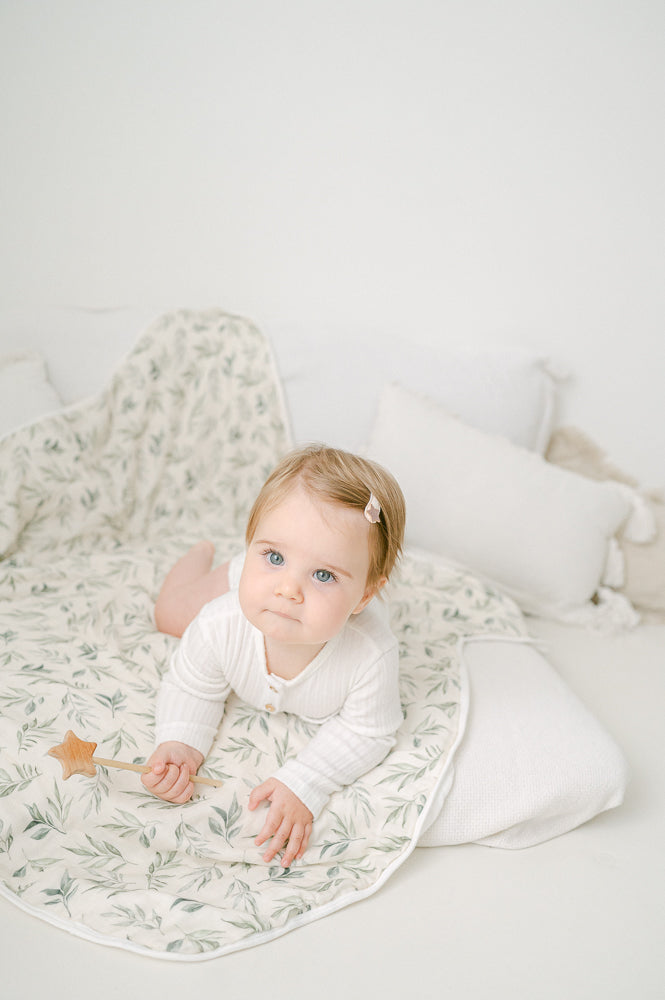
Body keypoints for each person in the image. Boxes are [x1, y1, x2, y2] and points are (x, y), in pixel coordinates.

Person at [143, 444, 406, 868]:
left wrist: (306, 781)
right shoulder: (220, 623)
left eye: (323, 575)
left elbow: (369, 731)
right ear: (252, 546)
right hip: (241, 586)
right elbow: (193, 685)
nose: (289, 588)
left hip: (263, 590)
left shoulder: (369, 655)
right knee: (170, 615)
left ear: (365, 595)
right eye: (274, 556)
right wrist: (182, 741)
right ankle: (199, 556)